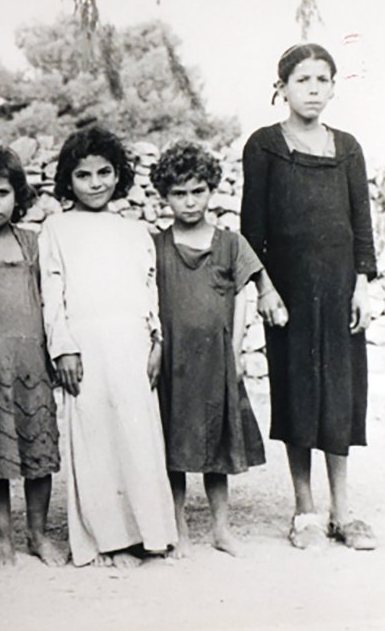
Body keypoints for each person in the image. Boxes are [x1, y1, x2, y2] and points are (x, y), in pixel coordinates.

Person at [241, 43, 378, 551]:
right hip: (290, 296)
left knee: (340, 396)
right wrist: (265, 289)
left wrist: (362, 284)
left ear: (334, 87)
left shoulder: (348, 148)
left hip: (340, 290)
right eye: (303, 80)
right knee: (298, 393)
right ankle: (306, 512)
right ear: (281, 88)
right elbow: (251, 229)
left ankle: (344, 512)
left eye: (323, 79)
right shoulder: (264, 146)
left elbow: (361, 223)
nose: (314, 89)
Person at [38, 126, 177, 568]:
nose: (95, 183)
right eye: (84, 175)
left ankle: (148, 534)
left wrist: (156, 340)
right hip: (85, 344)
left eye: (104, 172)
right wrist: (64, 348)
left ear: (119, 175)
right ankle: (109, 540)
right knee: (95, 437)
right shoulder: (56, 229)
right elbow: (52, 292)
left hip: (132, 342)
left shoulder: (134, 231)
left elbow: (148, 288)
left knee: (137, 435)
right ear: (68, 180)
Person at [150, 141, 275, 558]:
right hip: (173, 362)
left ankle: (222, 528)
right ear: (165, 196)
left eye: (198, 191)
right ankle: (179, 528)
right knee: (173, 446)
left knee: (217, 447)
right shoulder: (155, 246)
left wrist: (236, 351)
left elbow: (244, 293)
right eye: (180, 193)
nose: (189, 201)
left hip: (216, 360)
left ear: (211, 191)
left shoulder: (229, 243)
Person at [0, 147, 66, 568]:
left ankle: (37, 534)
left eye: (1, 192)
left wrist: (55, 355)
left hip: (32, 366)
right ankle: (3, 539)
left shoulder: (33, 244)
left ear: (17, 197)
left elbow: (52, 302)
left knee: (39, 454)